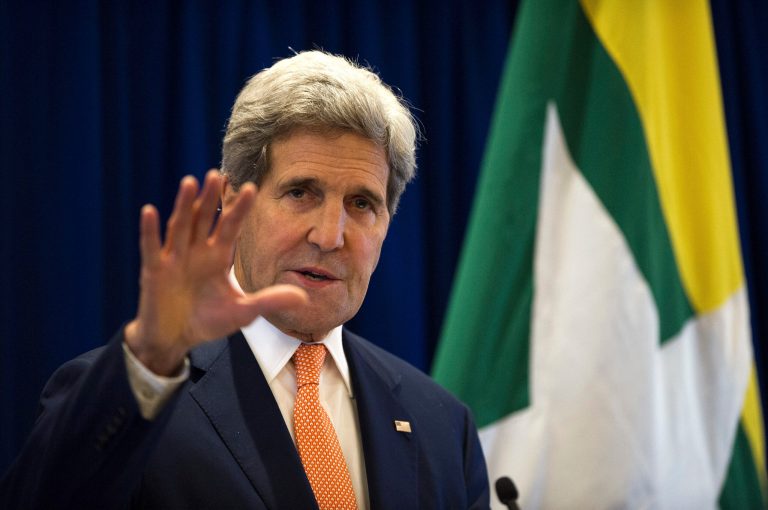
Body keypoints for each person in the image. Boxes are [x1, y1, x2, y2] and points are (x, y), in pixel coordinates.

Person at [0, 51, 489, 509]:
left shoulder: (444, 426)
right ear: (234, 201)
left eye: (361, 204)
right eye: (300, 193)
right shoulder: (133, 394)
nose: (329, 236)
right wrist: (149, 360)